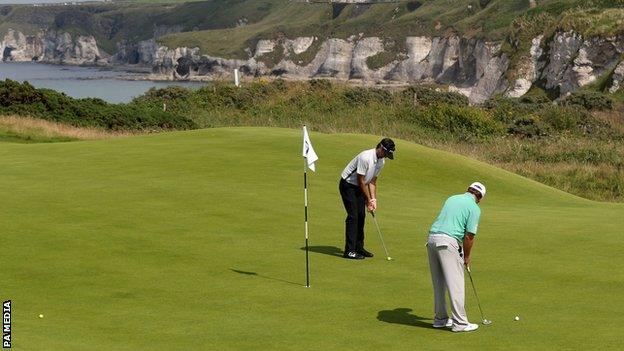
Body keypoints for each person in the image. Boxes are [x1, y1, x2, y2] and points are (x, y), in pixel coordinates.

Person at [426, 182, 486, 332]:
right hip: (447, 242)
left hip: (432, 240)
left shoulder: (452, 198)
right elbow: (469, 237)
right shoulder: (474, 208)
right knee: (456, 284)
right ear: (479, 198)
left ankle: (440, 320)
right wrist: (466, 256)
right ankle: (460, 323)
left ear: (468, 190)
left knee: (439, 283)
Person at [339, 138, 395, 259]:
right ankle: (349, 251)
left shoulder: (381, 162)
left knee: (361, 215)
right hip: (348, 185)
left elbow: (372, 181)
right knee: (353, 216)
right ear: (380, 147)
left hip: (360, 187)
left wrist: (373, 199)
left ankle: (358, 247)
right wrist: (368, 199)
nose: (385, 156)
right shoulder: (366, 157)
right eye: (385, 153)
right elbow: (361, 180)